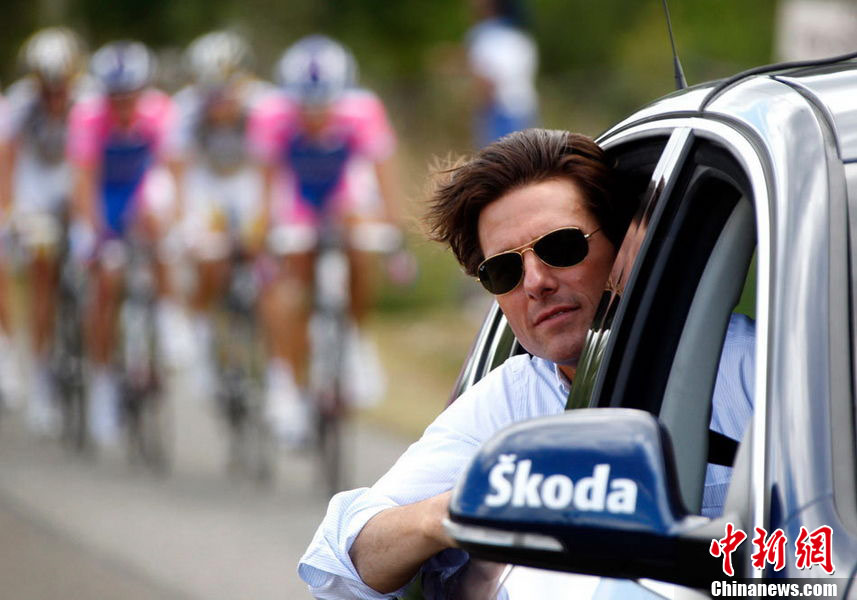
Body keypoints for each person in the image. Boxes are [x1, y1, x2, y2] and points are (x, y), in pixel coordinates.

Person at [298, 129, 755, 599]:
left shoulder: (756, 368)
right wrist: (457, 512)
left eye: (561, 247)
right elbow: (339, 566)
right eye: (504, 270)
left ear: (624, 248)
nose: (535, 282)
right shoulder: (509, 402)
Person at [248, 34, 405, 444]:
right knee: (291, 283)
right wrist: (264, 233)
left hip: (344, 190)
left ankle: (355, 339)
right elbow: (266, 186)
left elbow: (383, 175)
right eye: (305, 106)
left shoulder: (363, 110)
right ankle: (286, 385)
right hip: (296, 195)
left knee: (359, 241)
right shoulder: (270, 114)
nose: (314, 114)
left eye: (323, 105)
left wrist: (393, 227)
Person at [67, 40, 176, 445]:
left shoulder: (160, 111)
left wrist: (166, 218)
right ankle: (102, 384)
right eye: (116, 97)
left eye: (130, 96)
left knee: (161, 236)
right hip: (101, 196)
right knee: (105, 282)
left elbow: (170, 170)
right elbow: (83, 180)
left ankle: (167, 320)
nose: (123, 104)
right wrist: (97, 233)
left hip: (139, 189)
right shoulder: (87, 116)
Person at [168, 30, 272, 399]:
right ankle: (200, 333)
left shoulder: (266, 106)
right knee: (209, 255)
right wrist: (185, 224)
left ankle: (267, 348)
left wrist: (263, 224)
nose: (220, 102)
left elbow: (273, 171)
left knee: (263, 252)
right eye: (211, 93)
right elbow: (177, 174)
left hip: (249, 180)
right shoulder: (184, 110)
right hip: (205, 183)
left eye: (228, 92)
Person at [0, 27, 88, 432]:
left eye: (61, 86)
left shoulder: (89, 100)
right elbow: (7, 159)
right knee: (41, 276)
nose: (55, 96)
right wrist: (8, 211)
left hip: (75, 180)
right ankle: (41, 379)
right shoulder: (19, 104)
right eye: (46, 87)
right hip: (35, 186)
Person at [466, 0, 539, 147]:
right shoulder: (520, 36)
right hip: (525, 110)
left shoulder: (485, 36)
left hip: (499, 113)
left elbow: (487, 80)